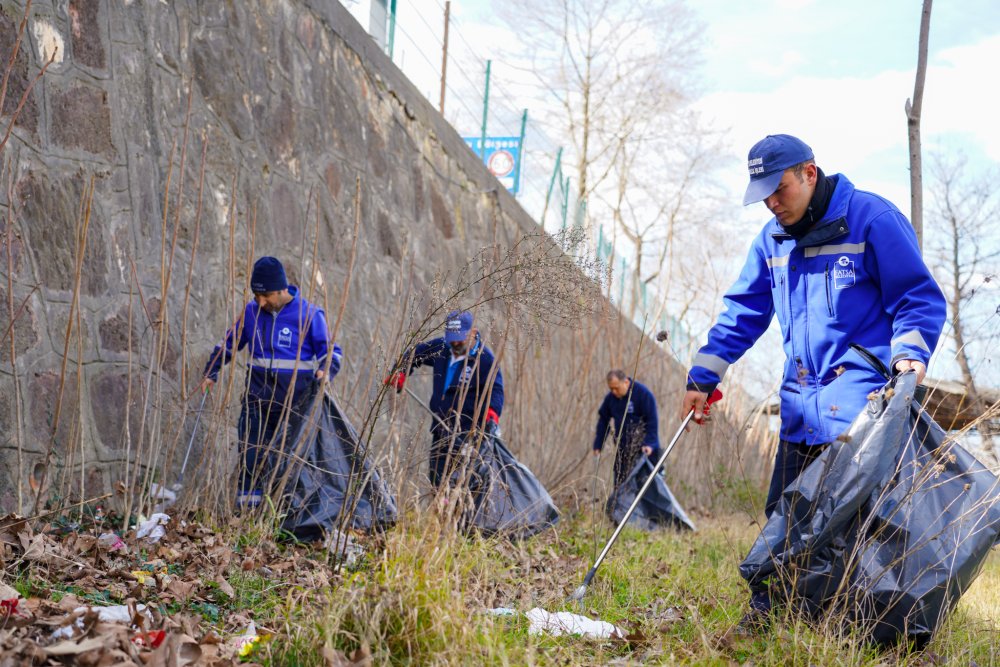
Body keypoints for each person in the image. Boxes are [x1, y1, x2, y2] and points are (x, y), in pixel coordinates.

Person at [681, 134, 946, 629]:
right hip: (801, 406)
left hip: (861, 409)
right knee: (784, 515)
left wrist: (911, 354)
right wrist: (703, 376)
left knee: (851, 527)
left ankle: (853, 623)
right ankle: (770, 615)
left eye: (779, 189)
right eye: (762, 194)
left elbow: (916, 297)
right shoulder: (772, 240)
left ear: (809, 172)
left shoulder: (872, 220)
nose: (772, 203)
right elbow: (743, 313)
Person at [199, 256, 343, 509]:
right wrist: (211, 371)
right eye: (256, 295)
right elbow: (229, 344)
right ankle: (247, 514)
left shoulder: (309, 315)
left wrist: (326, 371)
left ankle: (284, 515)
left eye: (265, 296)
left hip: (295, 406)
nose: (260, 301)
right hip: (257, 401)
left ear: (281, 290)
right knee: (251, 457)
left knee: (289, 462)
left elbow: (331, 353)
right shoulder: (252, 312)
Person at [386, 310, 504, 488]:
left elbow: (496, 390)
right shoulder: (442, 348)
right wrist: (400, 371)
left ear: (473, 332)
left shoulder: (485, 360)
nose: (455, 342)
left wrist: (491, 416)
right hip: (440, 429)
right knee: (436, 482)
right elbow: (415, 354)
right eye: (452, 337)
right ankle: (438, 514)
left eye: (460, 338)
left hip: (467, 435)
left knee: (460, 486)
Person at [592, 370, 660, 488]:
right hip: (622, 451)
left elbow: (652, 422)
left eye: (616, 388)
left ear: (626, 382)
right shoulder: (611, 399)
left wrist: (650, 444)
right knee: (620, 487)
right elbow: (603, 420)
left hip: (644, 450)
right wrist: (598, 444)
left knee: (645, 489)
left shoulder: (643, 395)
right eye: (611, 389)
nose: (614, 392)